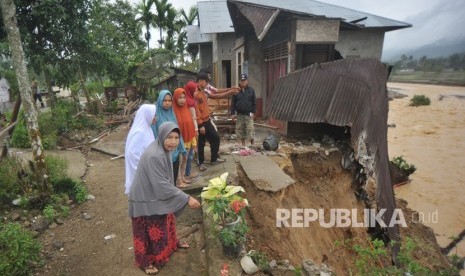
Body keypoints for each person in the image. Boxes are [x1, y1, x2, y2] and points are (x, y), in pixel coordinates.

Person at [128, 121, 201, 275]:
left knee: (166, 218)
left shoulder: (163, 149)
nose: (173, 142)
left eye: (176, 137)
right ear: (162, 136)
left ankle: (171, 245)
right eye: (169, 137)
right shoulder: (154, 155)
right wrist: (186, 198)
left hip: (155, 192)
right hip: (146, 196)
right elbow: (162, 185)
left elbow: (165, 181)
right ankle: (145, 262)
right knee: (147, 231)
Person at [194, 73, 236, 171]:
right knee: (201, 143)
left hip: (207, 120)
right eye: (206, 81)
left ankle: (214, 159)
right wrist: (200, 125)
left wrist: (229, 91)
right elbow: (196, 110)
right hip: (201, 123)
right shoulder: (196, 94)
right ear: (200, 81)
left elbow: (215, 95)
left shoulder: (204, 91)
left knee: (216, 138)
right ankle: (201, 163)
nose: (207, 84)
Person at [152, 90, 188, 187]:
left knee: (173, 177)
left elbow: (177, 131)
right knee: (164, 181)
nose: (167, 103)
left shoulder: (172, 114)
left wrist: (182, 148)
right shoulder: (155, 116)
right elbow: (154, 135)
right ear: (160, 101)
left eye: (169, 100)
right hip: (162, 154)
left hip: (174, 153)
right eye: (165, 100)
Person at [124, 104, 156, 195]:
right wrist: (146, 170)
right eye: (154, 115)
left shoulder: (147, 128)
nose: (155, 117)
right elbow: (132, 155)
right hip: (142, 174)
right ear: (147, 115)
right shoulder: (139, 133)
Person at [172, 87, 198, 184]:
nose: (182, 100)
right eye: (180, 97)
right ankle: (179, 180)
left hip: (188, 141)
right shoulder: (173, 111)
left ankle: (183, 177)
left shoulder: (186, 108)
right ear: (175, 98)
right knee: (178, 161)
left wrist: (194, 142)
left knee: (184, 160)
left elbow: (190, 126)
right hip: (178, 142)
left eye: (184, 97)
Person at [230, 74, 256, 146]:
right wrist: (232, 113)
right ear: (240, 82)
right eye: (242, 81)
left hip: (248, 114)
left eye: (244, 81)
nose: (243, 82)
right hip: (239, 114)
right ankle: (243, 145)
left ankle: (252, 144)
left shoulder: (251, 90)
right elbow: (233, 103)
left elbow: (254, 102)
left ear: (247, 81)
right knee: (240, 131)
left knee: (250, 130)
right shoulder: (236, 91)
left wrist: (253, 112)